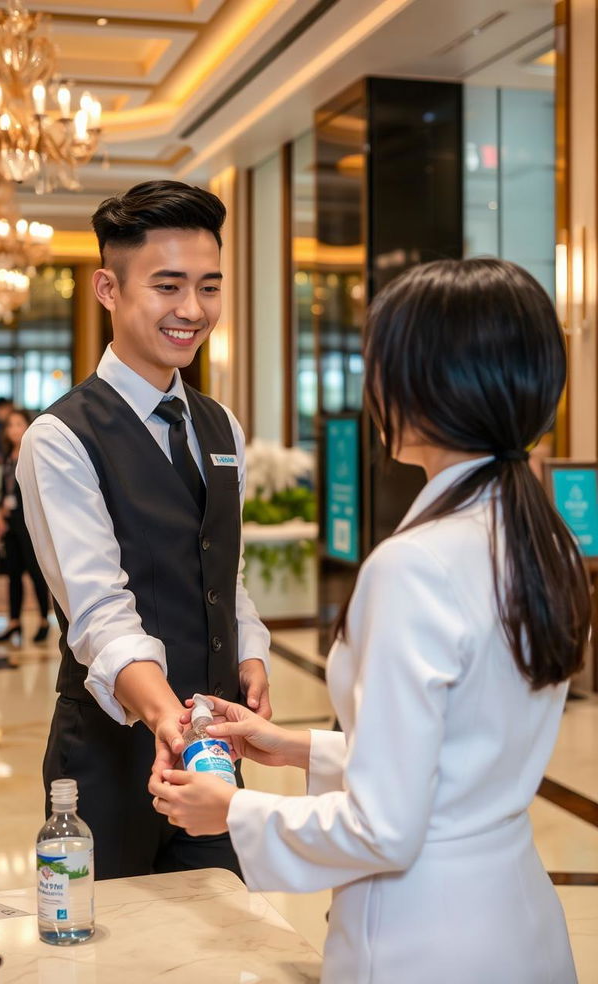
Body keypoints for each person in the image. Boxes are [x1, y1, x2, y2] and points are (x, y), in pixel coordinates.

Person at [150, 258, 589, 984]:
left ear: (428, 384)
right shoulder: (544, 539)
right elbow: (455, 760)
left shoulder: (414, 566)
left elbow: (384, 827)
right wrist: (291, 748)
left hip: (425, 939)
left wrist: (233, 810)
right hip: (516, 917)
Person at [17, 180, 271, 880]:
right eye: (168, 286)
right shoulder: (61, 437)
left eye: (209, 287)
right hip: (109, 760)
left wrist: (249, 653)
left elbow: (227, 569)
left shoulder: (222, 426)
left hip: (209, 754)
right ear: (108, 288)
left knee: (222, 937)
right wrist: (166, 720)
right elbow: (98, 610)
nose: (193, 310)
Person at [0, 409, 50, 644]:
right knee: (13, 574)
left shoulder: (33, 454)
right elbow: (4, 490)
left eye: (18, 424)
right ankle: (14, 622)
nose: (14, 429)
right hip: (10, 523)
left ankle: (44, 620)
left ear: (28, 426)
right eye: (10, 425)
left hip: (28, 522)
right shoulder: (8, 455)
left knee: (36, 574)